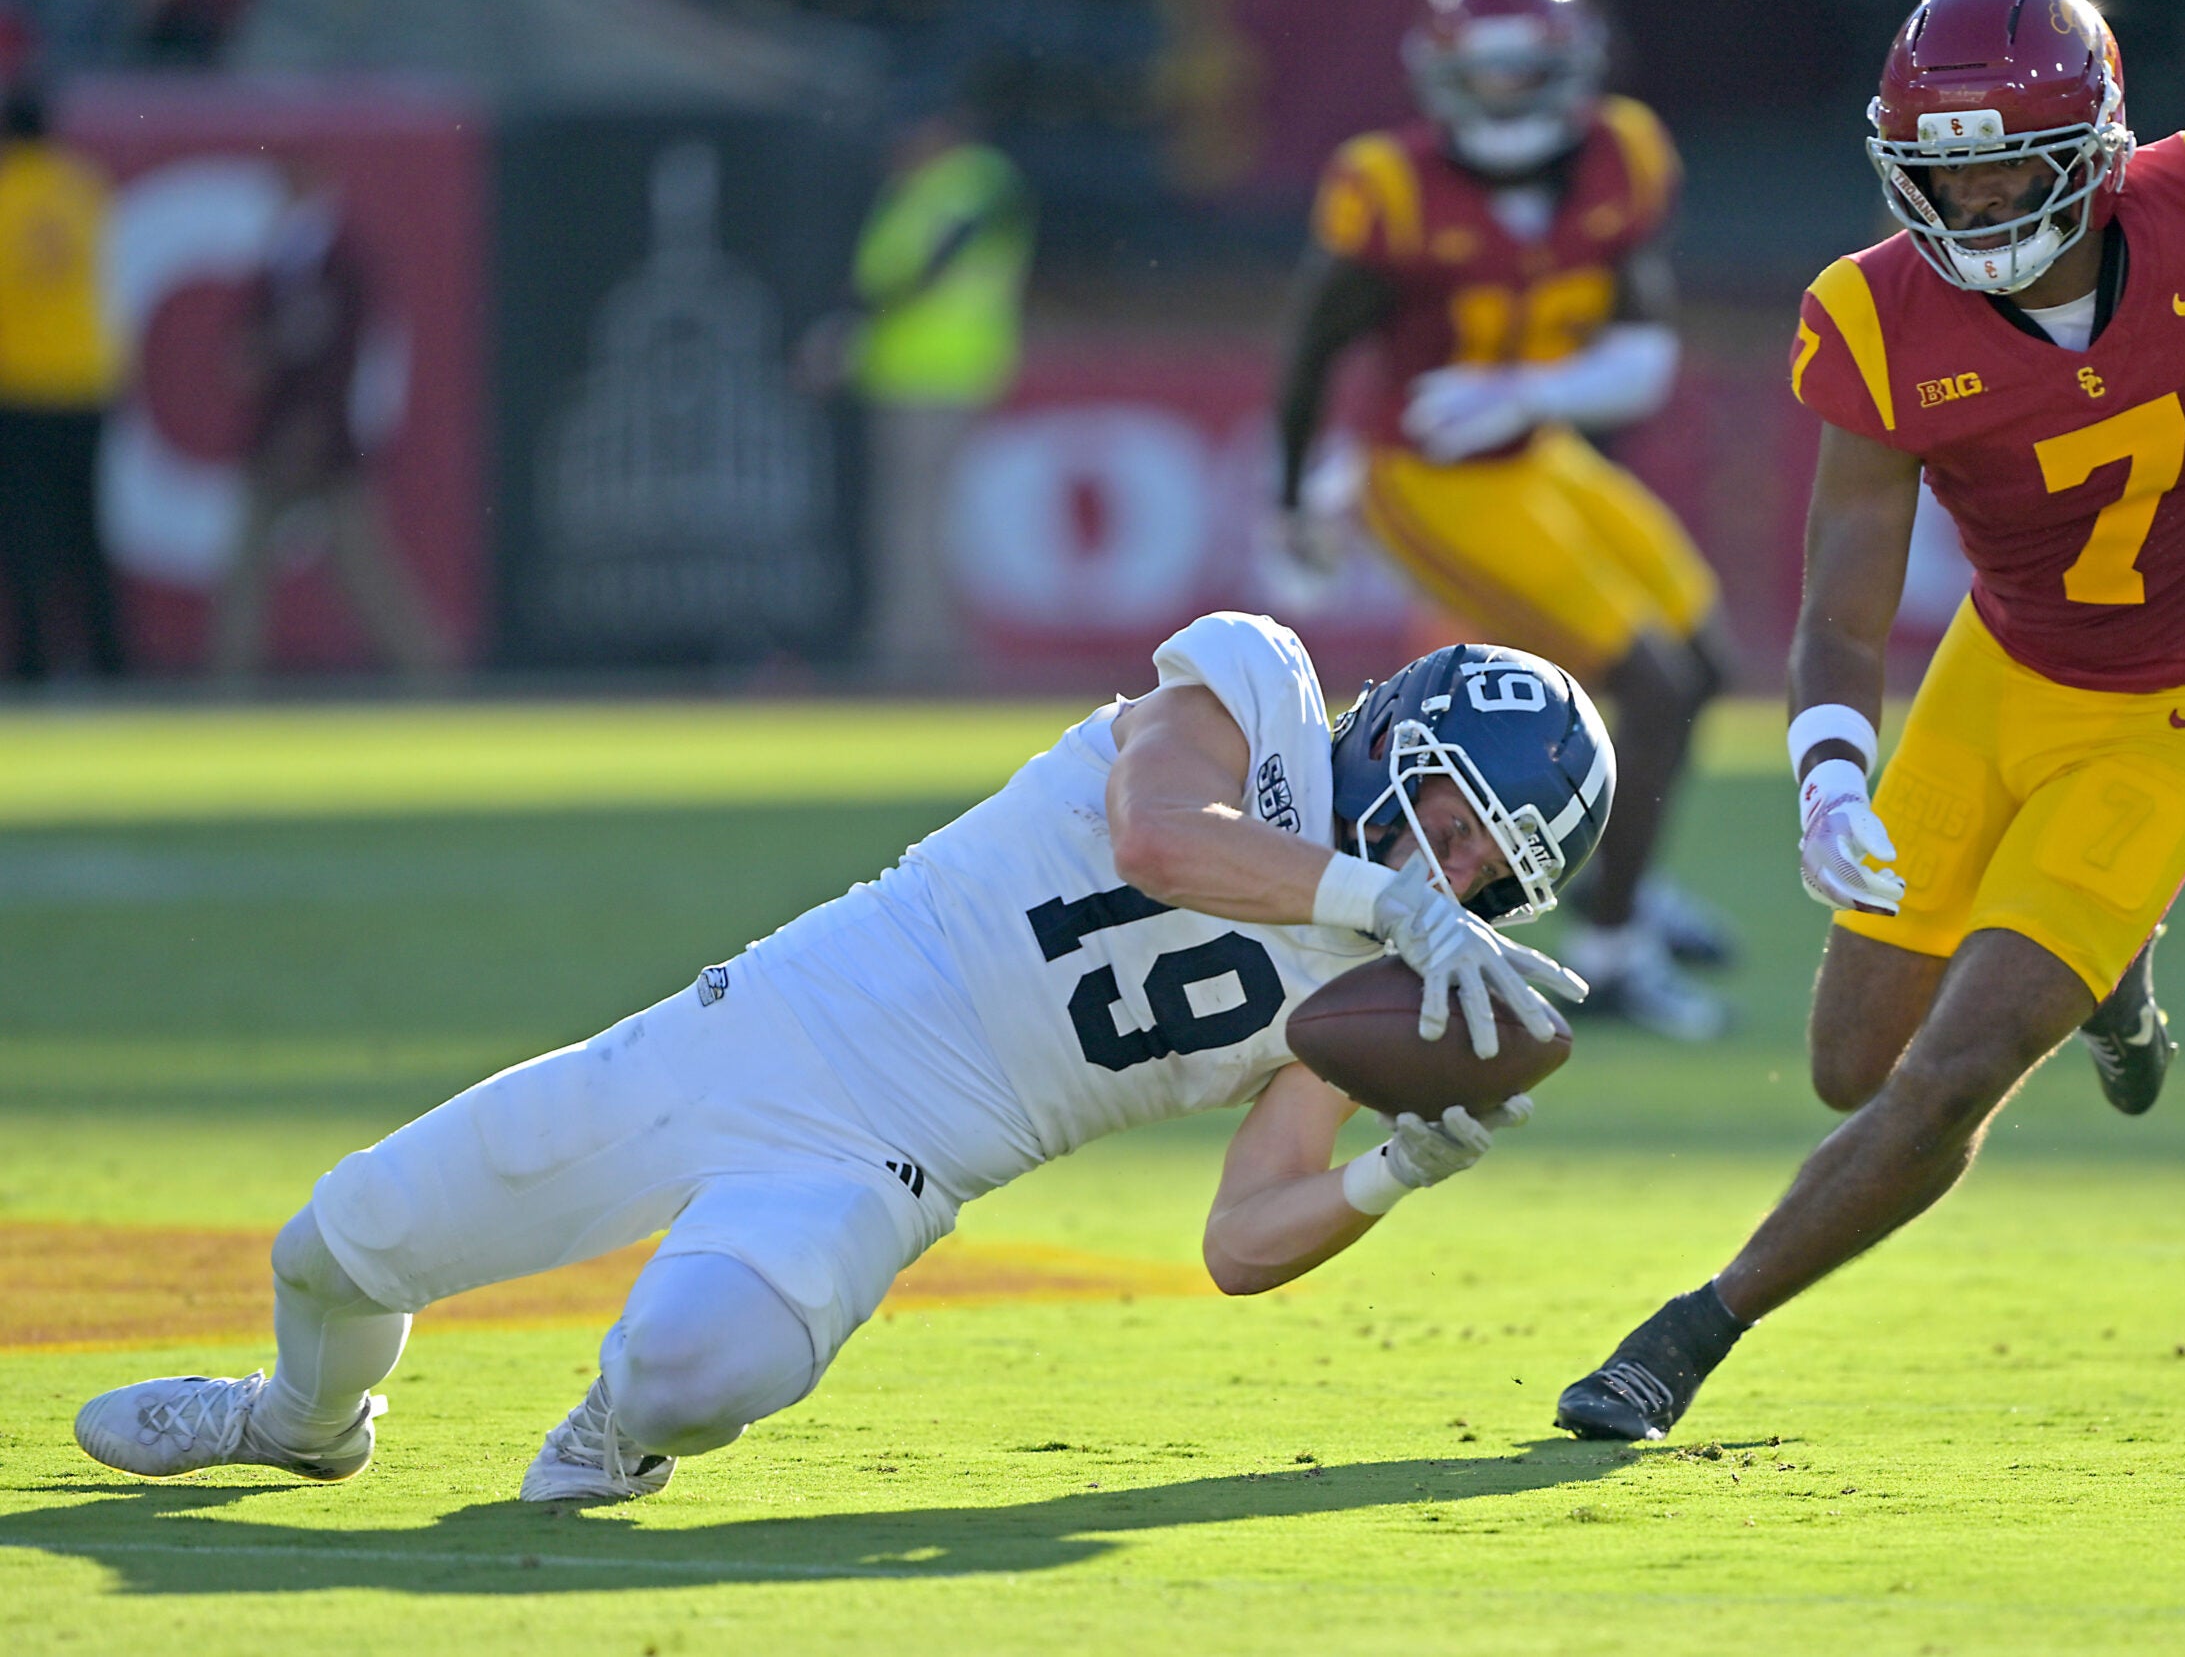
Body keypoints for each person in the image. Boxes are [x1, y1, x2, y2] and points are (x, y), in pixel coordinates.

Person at [1554, 0, 2185, 1442]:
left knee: (1952, 1075)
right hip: (2000, 674)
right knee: (1849, 1065)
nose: (1974, 205)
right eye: (1942, 175)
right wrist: (1829, 772)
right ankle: (2116, 967)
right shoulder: (1877, 314)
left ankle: (1691, 1330)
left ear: (2092, 146)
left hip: (2182, 703)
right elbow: (1839, 603)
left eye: (2008, 163)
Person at [74, 612, 1606, 1501]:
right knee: (340, 1246)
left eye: (1487, 868)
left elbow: (1237, 1237)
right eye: (1455, 810)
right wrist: (1386, 891)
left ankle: (618, 1426)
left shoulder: (1369, 989)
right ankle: (296, 1418)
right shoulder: (1254, 687)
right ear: (1397, 728)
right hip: (766, 1026)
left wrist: (1394, 1167)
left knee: (690, 1371)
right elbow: (1160, 835)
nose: (1455, 867)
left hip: (900, 1161)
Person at [1272, 0, 1732, 1042]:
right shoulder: (1387, 188)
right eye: (1484, 73)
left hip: (1538, 452)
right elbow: (1313, 348)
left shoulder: (1621, 154)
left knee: (1704, 667)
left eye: (1526, 71)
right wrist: (1290, 498)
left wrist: (1537, 386)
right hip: (1427, 477)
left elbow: (1643, 343)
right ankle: (1612, 952)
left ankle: (1624, 878)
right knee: (1656, 687)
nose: (1505, 95)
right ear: (1439, 72)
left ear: (1571, 66)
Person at [798, 112, 1032, 682]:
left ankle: (916, 651)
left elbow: (925, 269)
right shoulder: (925, 189)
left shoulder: (976, 181)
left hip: (940, 373)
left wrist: (850, 329)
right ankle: (918, 642)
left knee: (918, 518)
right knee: (914, 515)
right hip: (907, 373)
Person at [210, 156, 451, 684]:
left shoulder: (340, 258)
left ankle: (429, 676)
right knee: (254, 568)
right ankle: (229, 688)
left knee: (359, 569)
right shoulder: (282, 257)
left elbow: (346, 355)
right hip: (278, 435)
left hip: (323, 439)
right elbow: (250, 344)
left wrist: (317, 423)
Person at [0, 82, 123, 681]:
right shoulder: (84, 187)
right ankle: (111, 660)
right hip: (87, 379)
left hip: (21, 385)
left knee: (24, 534)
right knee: (89, 530)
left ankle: (34, 665)